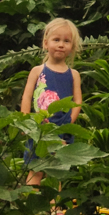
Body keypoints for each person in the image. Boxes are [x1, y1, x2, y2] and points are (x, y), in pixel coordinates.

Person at [22, 17, 83, 189]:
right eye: (56, 40)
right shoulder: (37, 71)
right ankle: (29, 200)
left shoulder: (73, 74)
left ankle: (54, 203)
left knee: (56, 172)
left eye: (66, 41)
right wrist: (25, 123)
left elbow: (78, 101)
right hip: (39, 129)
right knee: (35, 169)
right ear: (45, 43)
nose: (61, 45)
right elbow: (27, 97)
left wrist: (69, 123)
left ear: (72, 47)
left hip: (61, 129)